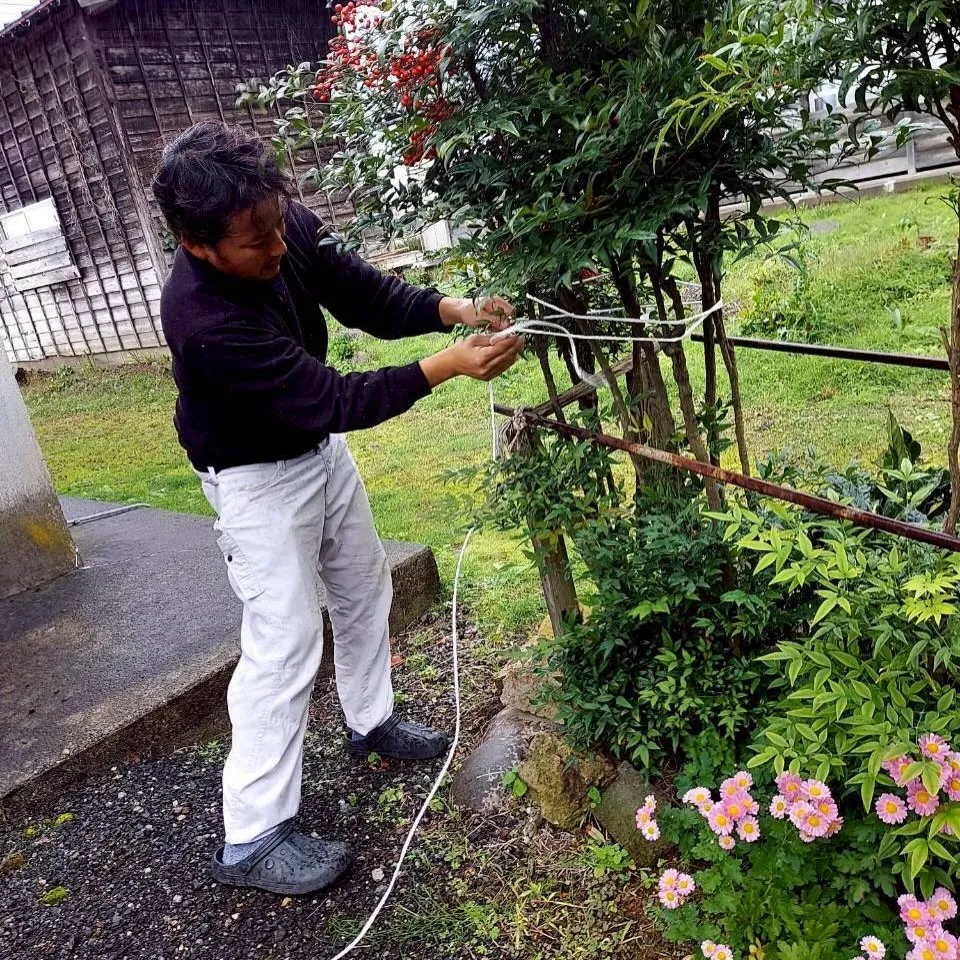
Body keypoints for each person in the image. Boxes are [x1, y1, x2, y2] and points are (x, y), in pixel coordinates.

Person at [152, 121, 523, 896]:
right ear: (199, 244)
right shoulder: (204, 321)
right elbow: (334, 397)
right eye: (255, 242)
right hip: (253, 479)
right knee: (283, 643)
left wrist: (452, 310)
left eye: (278, 225)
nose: (277, 247)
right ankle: (252, 835)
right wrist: (449, 367)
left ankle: (370, 720)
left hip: (316, 451)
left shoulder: (274, 221)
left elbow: (362, 292)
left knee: (364, 587)